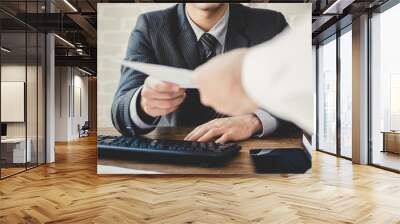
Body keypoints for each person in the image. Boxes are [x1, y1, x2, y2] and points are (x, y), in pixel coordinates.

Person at [112, 3, 298, 143]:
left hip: (252, 160)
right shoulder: (150, 26)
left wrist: (255, 120)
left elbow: (298, 99)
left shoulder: (271, 24)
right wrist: (143, 104)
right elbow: (120, 113)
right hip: (174, 158)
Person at [192, 18, 314, 135]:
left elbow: (308, 76)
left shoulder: (271, 22)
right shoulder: (171, 24)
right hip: (182, 146)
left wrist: (257, 120)